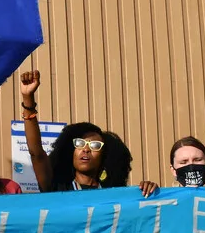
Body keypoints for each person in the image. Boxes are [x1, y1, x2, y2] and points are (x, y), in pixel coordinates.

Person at [19, 70, 157, 195]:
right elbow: (36, 154)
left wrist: (150, 192)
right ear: (71, 152)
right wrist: (28, 99)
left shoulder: (112, 193)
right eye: (80, 143)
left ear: (104, 157)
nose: (86, 149)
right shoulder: (57, 187)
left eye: (95, 146)